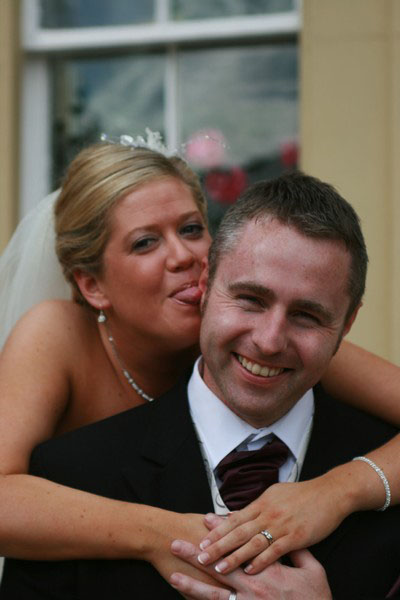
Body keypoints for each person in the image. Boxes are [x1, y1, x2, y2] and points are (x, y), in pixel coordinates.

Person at [1, 171, 399, 598]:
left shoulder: (377, 472)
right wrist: (162, 533)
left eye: (191, 229)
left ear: (345, 324)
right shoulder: (70, 468)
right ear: (208, 287)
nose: (269, 341)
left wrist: (339, 491)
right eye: (250, 299)